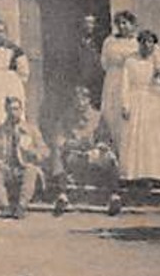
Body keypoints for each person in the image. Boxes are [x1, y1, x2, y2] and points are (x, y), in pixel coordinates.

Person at [118, 29, 160, 191]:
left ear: (154, 44)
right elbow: (124, 84)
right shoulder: (130, 61)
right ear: (139, 43)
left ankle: (156, 174)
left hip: (154, 102)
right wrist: (125, 105)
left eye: (150, 42)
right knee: (136, 138)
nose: (146, 45)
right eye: (143, 42)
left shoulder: (159, 61)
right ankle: (136, 175)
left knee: (154, 139)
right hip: (135, 101)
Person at [48, 84, 120, 216]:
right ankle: (62, 195)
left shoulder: (98, 117)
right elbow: (58, 136)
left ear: (89, 100)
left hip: (93, 154)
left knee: (110, 157)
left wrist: (99, 146)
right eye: (77, 99)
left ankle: (114, 196)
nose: (80, 103)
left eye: (83, 99)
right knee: (57, 153)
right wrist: (67, 143)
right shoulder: (66, 117)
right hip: (74, 155)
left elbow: (107, 139)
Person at [0, 95, 47, 219]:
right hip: (5, 169)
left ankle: (21, 207)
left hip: (24, 168)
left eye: (16, 109)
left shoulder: (31, 130)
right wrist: (1, 165)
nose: (14, 113)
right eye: (11, 109)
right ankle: (5, 207)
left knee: (31, 171)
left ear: (21, 110)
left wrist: (30, 150)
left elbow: (44, 151)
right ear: (6, 110)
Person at [99, 10, 140, 153]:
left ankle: (130, 153)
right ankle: (115, 151)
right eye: (119, 23)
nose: (122, 26)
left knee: (129, 116)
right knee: (112, 115)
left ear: (133, 25)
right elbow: (104, 62)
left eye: (125, 23)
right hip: (113, 80)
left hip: (130, 82)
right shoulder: (109, 41)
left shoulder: (137, 42)